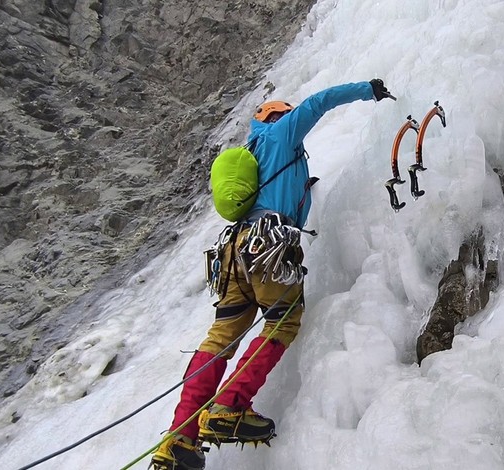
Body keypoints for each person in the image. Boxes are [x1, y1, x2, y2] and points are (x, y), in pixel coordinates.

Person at [151, 79, 394, 470]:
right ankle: (230, 405)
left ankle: (179, 437)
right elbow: (319, 102)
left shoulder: (254, 152)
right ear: (277, 116)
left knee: (220, 338)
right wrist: (368, 89)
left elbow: (276, 191)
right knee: (283, 322)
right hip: (268, 246)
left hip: (234, 253)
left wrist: (305, 188)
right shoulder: (282, 132)